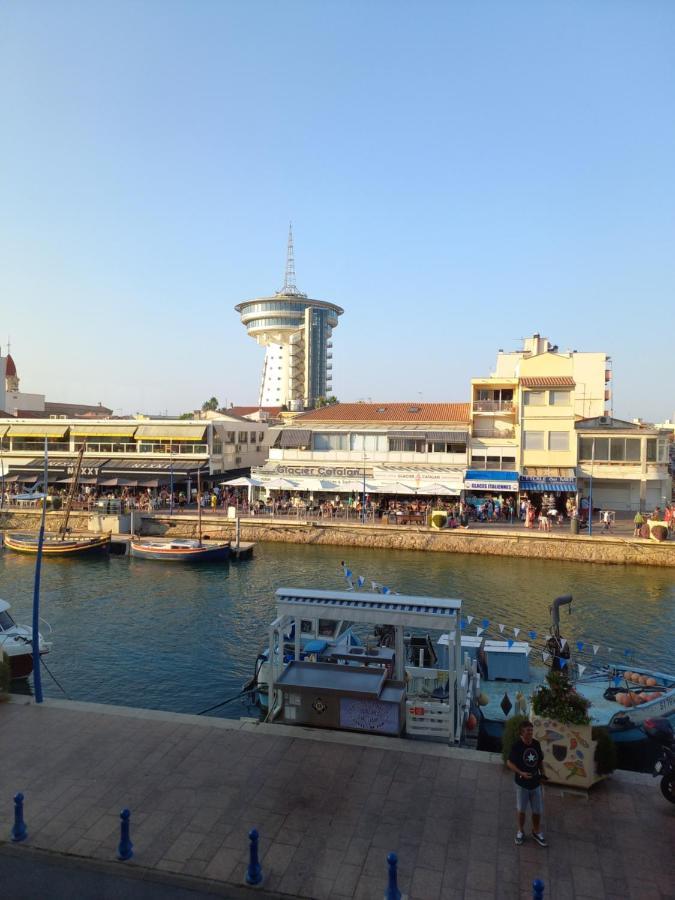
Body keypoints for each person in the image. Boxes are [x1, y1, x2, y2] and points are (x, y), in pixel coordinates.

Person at [507, 720, 548, 847]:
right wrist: (521, 773)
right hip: (522, 785)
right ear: (522, 732)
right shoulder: (516, 746)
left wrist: (542, 775)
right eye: (528, 731)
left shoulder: (536, 744)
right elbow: (509, 763)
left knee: (537, 810)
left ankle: (536, 831)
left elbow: (540, 761)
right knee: (521, 810)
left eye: (531, 730)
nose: (531, 733)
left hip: (535, 784)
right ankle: (520, 831)